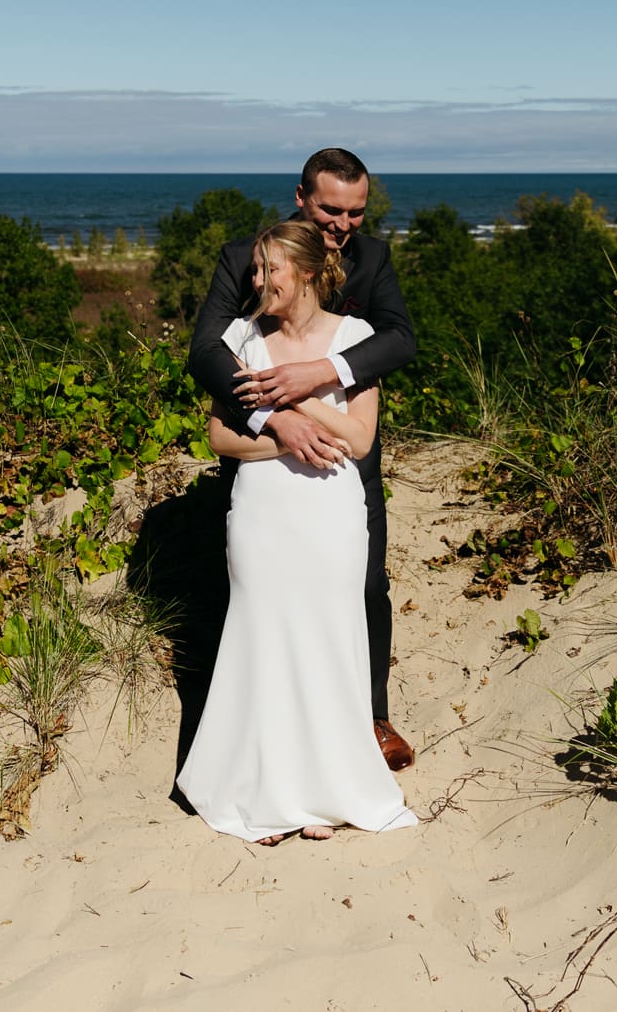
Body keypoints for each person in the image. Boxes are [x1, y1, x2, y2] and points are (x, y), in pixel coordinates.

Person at [175, 220, 418, 843]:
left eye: (268, 269)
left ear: (308, 271)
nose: (257, 281)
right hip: (261, 517)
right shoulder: (242, 340)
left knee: (327, 641)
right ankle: (265, 793)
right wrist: (284, 437)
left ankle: (325, 794)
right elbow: (220, 437)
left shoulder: (356, 338)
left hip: (331, 518)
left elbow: (359, 439)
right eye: (255, 269)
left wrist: (299, 393)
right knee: (264, 640)